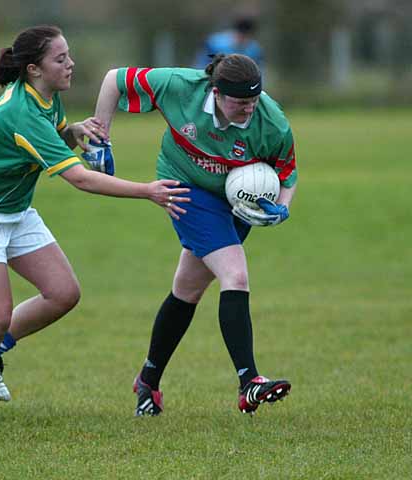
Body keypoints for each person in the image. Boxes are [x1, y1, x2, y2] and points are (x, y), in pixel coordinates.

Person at [0, 25, 190, 424]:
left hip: (14, 209)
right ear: (35, 69)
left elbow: (49, 142)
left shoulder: (46, 99)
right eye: (60, 59)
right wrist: (148, 190)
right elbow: (80, 179)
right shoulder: (21, 112)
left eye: (68, 55)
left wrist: (72, 132)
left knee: (63, 293)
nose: (71, 64)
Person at [91, 53, 297, 416]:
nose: (249, 109)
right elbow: (113, 79)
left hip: (237, 202)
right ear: (215, 92)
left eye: (253, 101)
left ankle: (147, 382)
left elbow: (287, 173)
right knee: (235, 275)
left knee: (186, 290)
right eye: (240, 102)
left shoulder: (272, 122)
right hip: (185, 188)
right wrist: (100, 137)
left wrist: (282, 207)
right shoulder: (179, 87)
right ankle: (249, 380)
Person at [193, 17, 263, 71]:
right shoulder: (214, 43)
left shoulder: (254, 50)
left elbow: (258, 70)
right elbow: (200, 63)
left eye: (246, 37)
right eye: (240, 35)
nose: (242, 39)